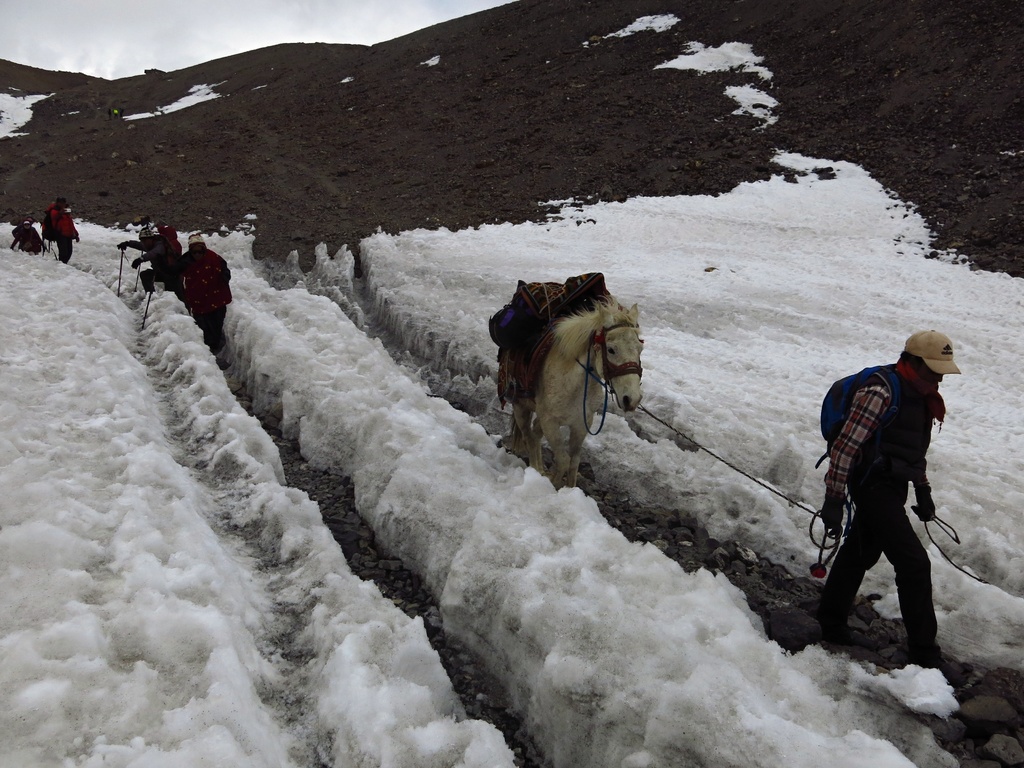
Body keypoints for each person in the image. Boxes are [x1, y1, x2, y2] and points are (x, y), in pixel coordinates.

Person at [816, 330, 961, 669]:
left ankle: (830, 621)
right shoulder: (880, 391)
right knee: (913, 562)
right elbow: (845, 448)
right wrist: (834, 500)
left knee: (860, 551)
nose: (938, 377)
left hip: (893, 484)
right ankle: (925, 653)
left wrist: (922, 489)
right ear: (911, 361)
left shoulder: (921, 395)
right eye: (932, 369)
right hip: (871, 483)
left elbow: (911, 449)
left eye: (941, 370)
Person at [179, 233, 232, 352]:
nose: (197, 255)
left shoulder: (214, 258)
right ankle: (206, 350)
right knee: (203, 327)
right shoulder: (185, 262)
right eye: (194, 252)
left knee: (216, 325)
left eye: (200, 252)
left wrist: (224, 276)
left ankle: (214, 348)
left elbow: (224, 270)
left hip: (216, 299)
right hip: (198, 301)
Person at [119, 228, 186, 304]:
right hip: (162, 273)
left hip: (172, 275)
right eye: (142, 241)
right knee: (145, 275)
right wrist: (127, 243)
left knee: (177, 299)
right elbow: (139, 245)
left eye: (145, 241)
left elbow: (154, 253)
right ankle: (151, 298)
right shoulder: (149, 244)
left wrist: (141, 259)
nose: (143, 243)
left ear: (151, 239)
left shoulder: (160, 245)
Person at [45, 197, 79, 263]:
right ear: (57, 203)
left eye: (64, 203)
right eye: (61, 203)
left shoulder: (66, 213)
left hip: (68, 234)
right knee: (63, 253)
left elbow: (70, 223)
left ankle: (63, 265)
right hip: (60, 234)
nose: (62, 204)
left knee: (69, 252)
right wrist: (60, 213)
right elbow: (54, 217)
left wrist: (76, 234)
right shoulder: (54, 211)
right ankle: (61, 265)